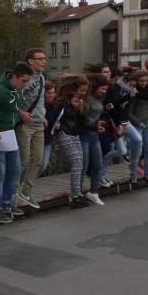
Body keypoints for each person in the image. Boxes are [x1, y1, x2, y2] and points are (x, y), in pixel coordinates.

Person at [0, 62, 33, 224]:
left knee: (15, 170)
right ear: (14, 77)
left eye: (27, 81)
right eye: (23, 81)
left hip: (9, 135)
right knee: (0, 172)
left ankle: (7, 204)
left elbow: (11, 109)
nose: (25, 85)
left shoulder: (15, 92)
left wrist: (19, 114)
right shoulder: (0, 91)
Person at [16, 48, 47, 209]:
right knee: (22, 161)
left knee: (38, 161)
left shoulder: (41, 77)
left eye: (44, 59)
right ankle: (13, 195)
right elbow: (11, 98)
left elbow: (39, 100)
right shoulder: (23, 77)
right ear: (30, 60)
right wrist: (20, 112)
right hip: (25, 126)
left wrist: (43, 116)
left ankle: (26, 192)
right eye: (40, 58)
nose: (44, 61)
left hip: (38, 125)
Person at [55, 75, 90, 209]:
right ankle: (75, 196)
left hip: (75, 134)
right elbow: (58, 114)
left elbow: (83, 121)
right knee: (76, 162)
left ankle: (77, 194)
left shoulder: (82, 101)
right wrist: (72, 107)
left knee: (79, 163)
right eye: (81, 91)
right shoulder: (64, 100)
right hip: (64, 133)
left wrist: (80, 110)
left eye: (85, 91)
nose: (83, 93)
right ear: (73, 89)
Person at [81, 74, 109, 206]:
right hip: (84, 135)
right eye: (102, 89)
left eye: (105, 89)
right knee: (83, 166)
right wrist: (95, 126)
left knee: (98, 165)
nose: (104, 92)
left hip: (94, 135)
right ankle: (77, 194)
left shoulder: (100, 99)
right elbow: (82, 119)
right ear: (96, 87)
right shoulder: (87, 98)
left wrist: (100, 123)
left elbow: (96, 116)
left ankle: (93, 192)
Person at [128, 70, 148, 185]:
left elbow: (147, 106)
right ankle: (133, 177)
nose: (144, 83)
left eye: (145, 81)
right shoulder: (134, 93)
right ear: (136, 81)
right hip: (137, 124)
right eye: (141, 81)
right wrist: (138, 122)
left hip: (147, 123)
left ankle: (147, 175)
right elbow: (128, 113)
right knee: (137, 151)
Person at [40, 80, 60, 176]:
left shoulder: (55, 105)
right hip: (37, 137)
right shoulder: (39, 106)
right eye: (49, 93)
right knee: (33, 164)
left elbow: (58, 119)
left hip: (47, 138)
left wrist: (58, 124)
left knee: (43, 165)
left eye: (53, 93)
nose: (51, 95)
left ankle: (27, 185)